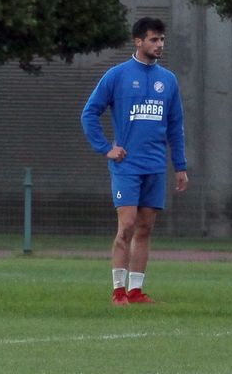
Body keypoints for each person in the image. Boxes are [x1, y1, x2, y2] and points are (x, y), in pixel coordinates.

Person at [80, 17, 189, 305]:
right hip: (127, 165)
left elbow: (175, 126)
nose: (159, 44)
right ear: (138, 41)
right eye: (154, 39)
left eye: (162, 40)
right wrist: (106, 148)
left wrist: (180, 166)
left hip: (155, 165)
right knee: (127, 225)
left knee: (145, 228)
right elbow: (89, 113)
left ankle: (136, 291)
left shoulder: (168, 80)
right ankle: (118, 291)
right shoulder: (117, 75)